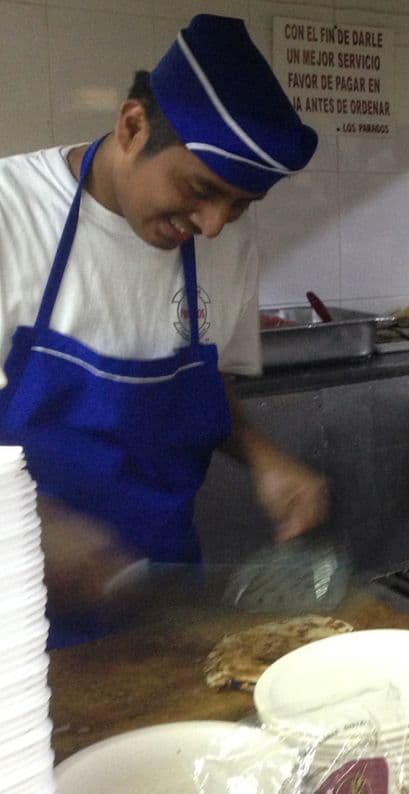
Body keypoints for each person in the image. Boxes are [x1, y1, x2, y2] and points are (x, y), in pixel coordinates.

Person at [0, 15, 329, 640]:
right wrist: (32, 526)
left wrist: (265, 460)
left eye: (238, 205)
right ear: (132, 127)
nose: (212, 226)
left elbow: (207, 385)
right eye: (198, 189)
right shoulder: (10, 217)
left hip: (161, 613)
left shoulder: (224, 243)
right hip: (14, 627)